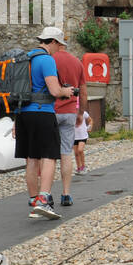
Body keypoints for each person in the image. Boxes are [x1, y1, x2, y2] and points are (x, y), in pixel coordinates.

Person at [16, 26, 77, 220]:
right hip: (43, 113)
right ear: (52, 42)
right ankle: (44, 200)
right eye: (59, 45)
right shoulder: (46, 60)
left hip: (23, 114)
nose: (60, 49)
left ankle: (34, 199)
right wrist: (66, 92)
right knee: (49, 156)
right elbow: (54, 90)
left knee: (31, 158)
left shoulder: (24, 59)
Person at [49, 28, 87, 208]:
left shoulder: (49, 59)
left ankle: (46, 194)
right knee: (66, 153)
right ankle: (66, 194)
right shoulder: (76, 62)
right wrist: (82, 113)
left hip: (50, 110)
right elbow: (84, 90)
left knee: (47, 155)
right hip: (70, 112)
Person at [73, 108, 90, 175]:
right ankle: (79, 168)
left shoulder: (84, 113)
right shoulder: (71, 114)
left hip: (83, 135)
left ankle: (83, 166)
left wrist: (89, 127)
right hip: (74, 136)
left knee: (80, 150)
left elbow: (90, 120)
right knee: (76, 153)